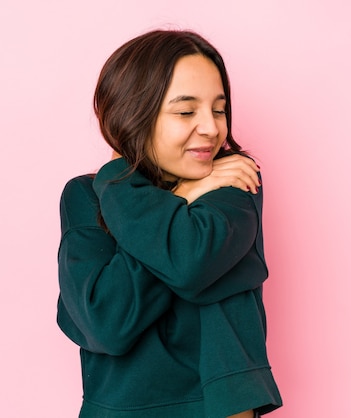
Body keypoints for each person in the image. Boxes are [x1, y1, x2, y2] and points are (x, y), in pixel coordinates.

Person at [57, 29, 282, 418]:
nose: (211, 128)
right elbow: (105, 323)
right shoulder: (89, 195)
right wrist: (171, 194)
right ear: (132, 116)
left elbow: (187, 260)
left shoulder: (232, 181)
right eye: (185, 111)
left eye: (219, 109)